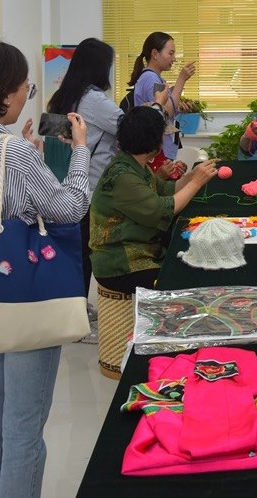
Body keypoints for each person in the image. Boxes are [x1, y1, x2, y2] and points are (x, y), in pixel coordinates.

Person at [0, 40, 91, 498]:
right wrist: (80, 151)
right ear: (3, 93)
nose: (28, 92)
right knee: (24, 427)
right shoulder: (13, 152)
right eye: (25, 84)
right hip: (27, 291)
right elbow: (70, 207)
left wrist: (26, 155)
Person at [90, 106, 218, 378]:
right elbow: (163, 209)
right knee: (184, 277)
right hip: (121, 263)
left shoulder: (133, 164)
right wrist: (196, 183)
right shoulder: (123, 176)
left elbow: (167, 190)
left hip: (136, 251)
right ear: (155, 142)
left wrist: (190, 176)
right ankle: (174, 356)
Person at [47, 37, 126, 299]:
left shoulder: (63, 96)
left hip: (65, 185)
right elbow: (127, 127)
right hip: (92, 186)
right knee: (87, 254)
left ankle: (74, 306)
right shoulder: (94, 100)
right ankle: (78, 311)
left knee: (74, 254)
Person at [127, 32, 195, 172]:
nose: (174, 58)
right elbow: (165, 112)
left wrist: (177, 107)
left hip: (161, 149)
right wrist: (181, 79)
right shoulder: (151, 78)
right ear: (155, 54)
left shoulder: (154, 78)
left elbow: (160, 109)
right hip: (158, 150)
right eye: (170, 53)